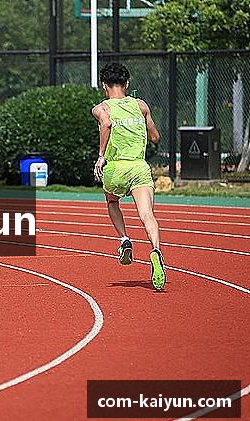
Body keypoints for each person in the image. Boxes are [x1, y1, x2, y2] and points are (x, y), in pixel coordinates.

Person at [92, 62, 166, 290]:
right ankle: (156, 250)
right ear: (127, 83)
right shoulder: (141, 105)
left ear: (104, 85)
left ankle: (124, 239)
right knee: (147, 215)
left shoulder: (101, 108)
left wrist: (101, 156)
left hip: (115, 169)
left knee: (112, 202)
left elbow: (106, 124)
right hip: (139, 167)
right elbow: (155, 137)